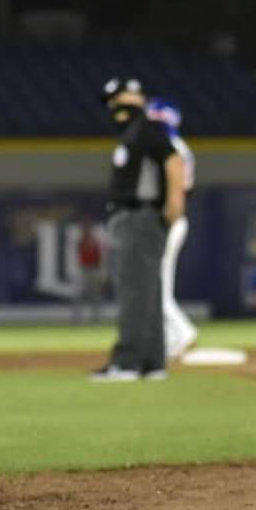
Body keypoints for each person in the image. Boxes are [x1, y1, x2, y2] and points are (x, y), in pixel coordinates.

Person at [90, 76, 187, 382]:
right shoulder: (135, 130)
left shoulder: (147, 126)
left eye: (118, 99)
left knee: (135, 290)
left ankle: (127, 362)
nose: (113, 107)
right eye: (111, 102)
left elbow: (174, 161)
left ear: (135, 97)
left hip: (140, 217)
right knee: (148, 291)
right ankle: (152, 362)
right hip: (135, 218)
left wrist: (174, 204)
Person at [146, 96, 199, 361]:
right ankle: (169, 339)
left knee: (156, 287)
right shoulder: (179, 145)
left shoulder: (170, 147)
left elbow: (175, 194)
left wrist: (163, 223)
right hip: (175, 220)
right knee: (159, 286)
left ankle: (182, 332)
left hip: (170, 221)